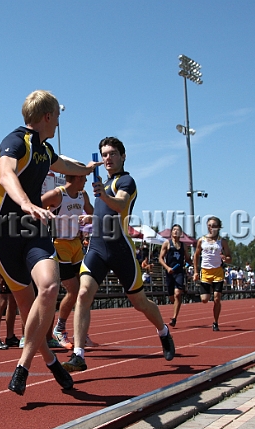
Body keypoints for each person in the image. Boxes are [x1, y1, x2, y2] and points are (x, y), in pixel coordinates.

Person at [0, 90, 98, 395]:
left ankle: (22, 366)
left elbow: (64, 164)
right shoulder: (14, 141)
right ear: (48, 116)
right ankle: (50, 361)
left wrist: (87, 169)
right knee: (28, 308)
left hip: (34, 230)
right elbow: (6, 174)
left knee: (49, 288)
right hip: (6, 231)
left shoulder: (45, 149)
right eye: (58, 118)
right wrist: (25, 202)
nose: (59, 124)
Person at [62, 136, 175, 373]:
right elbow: (106, 217)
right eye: (104, 154)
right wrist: (91, 218)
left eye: (112, 153)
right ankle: (78, 355)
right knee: (83, 293)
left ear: (123, 156)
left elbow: (120, 206)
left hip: (120, 250)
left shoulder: (126, 181)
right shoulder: (101, 184)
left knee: (139, 302)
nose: (108, 158)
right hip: (96, 248)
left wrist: (102, 195)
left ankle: (163, 331)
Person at [42, 173, 95, 350]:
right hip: (60, 245)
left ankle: (80, 332)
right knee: (73, 290)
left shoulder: (83, 195)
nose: (87, 181)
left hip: (76, 244)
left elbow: (93, 213)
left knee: (85, 290)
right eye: (84, 177)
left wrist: (88, 219)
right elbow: (34, 206)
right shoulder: (58, 194)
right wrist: (48, 215)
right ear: (77, 177)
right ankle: (59, 328)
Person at [193, 217, 233, 331]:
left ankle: (215, 322)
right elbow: (196, 256)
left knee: (217, 298)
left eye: (214, 225)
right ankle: (207, 290)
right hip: (205, 272)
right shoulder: (202, 240)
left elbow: (230, 257)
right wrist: (196, 271)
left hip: (218, 272)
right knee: (205, 299)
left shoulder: (222, 241)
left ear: (219, 227)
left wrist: (226, 258)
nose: (211, 228)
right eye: (209, 225)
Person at [158, 224, 191, 327]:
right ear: (171, 232)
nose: (176, 231)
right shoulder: (167, 243)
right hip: (169, 273)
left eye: (178, 230)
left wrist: (189, 263)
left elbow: (187, 259)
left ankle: (174, 318)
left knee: (177, 294)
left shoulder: (184, 246)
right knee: (172, 298)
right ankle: (176, 304)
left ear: (181, 233)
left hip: (179, 272)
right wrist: (167, 268)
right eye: (174, 230)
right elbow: (160, 258)